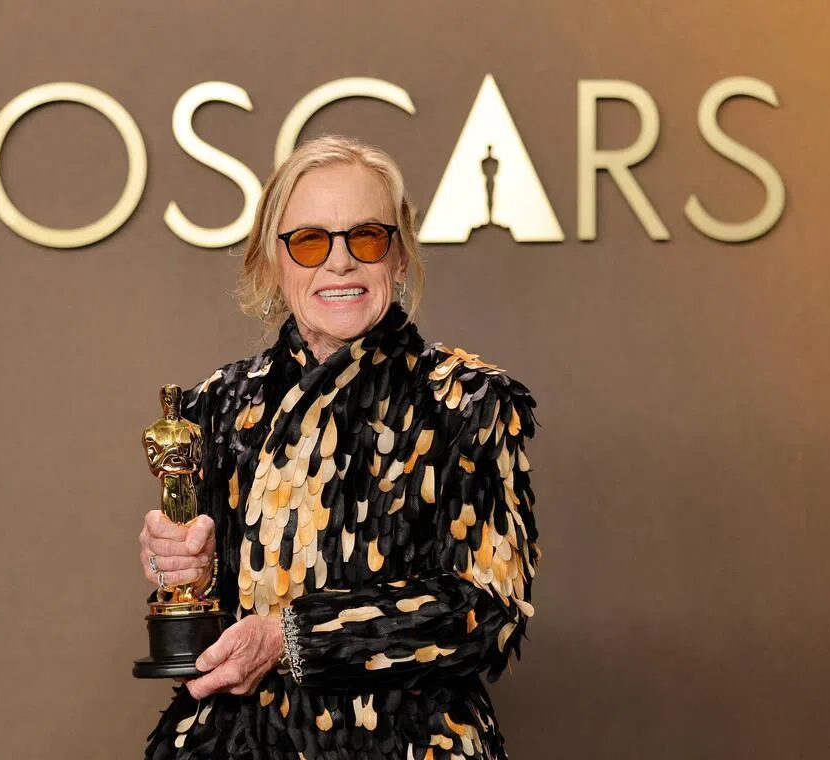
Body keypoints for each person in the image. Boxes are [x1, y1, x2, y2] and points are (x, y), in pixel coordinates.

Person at [137, 135, 540, 760]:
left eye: (367, 237)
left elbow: (487, 611)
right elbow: (207, 608)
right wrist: (182, 569)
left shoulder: (467, 402)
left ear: (399, 258)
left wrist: (291, 638)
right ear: (273, 262)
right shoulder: (216, 404)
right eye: (309, 241)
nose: (340, 262)